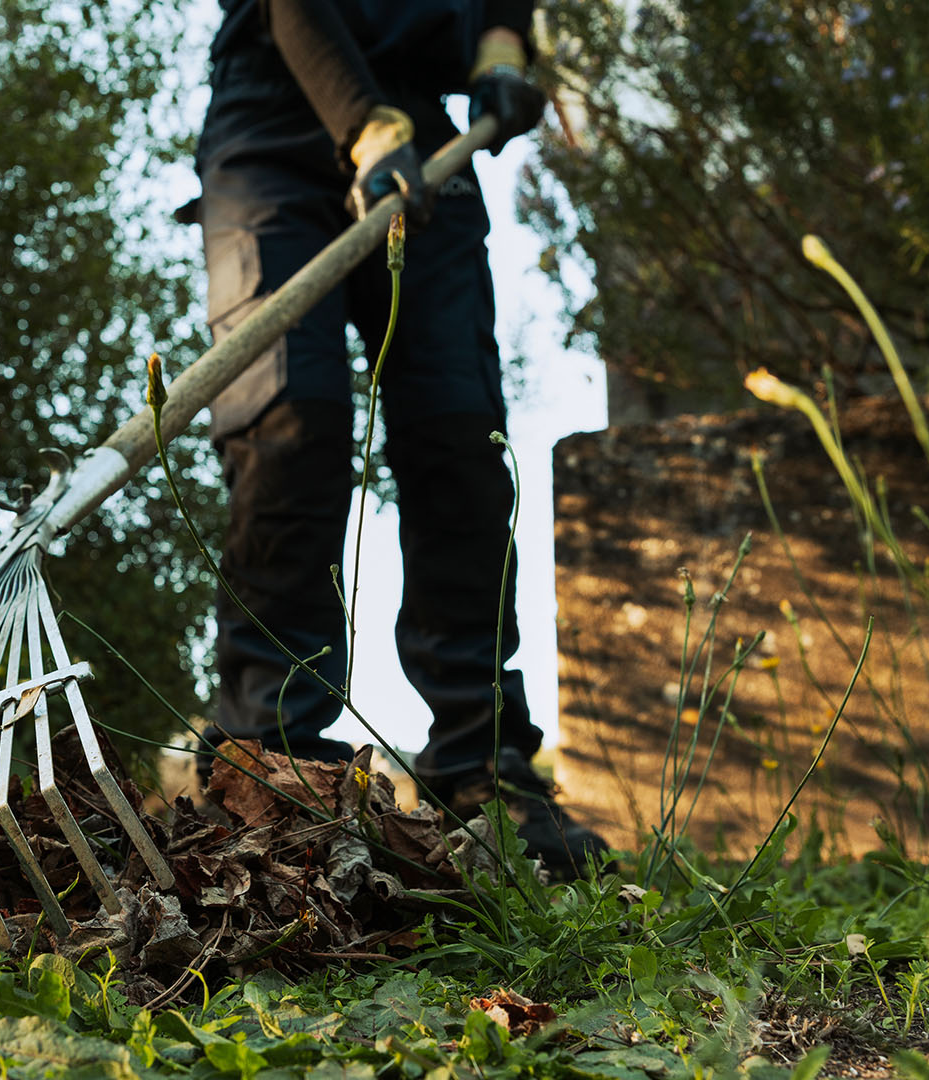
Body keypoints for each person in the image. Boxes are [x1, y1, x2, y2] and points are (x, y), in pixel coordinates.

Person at [187, 0, 608, 876]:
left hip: (422, 130)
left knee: (460, 437)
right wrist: (363, 125)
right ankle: (271, 764)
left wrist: (501, 51)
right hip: (273, 124)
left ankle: (483, 767)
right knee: (289, 425)